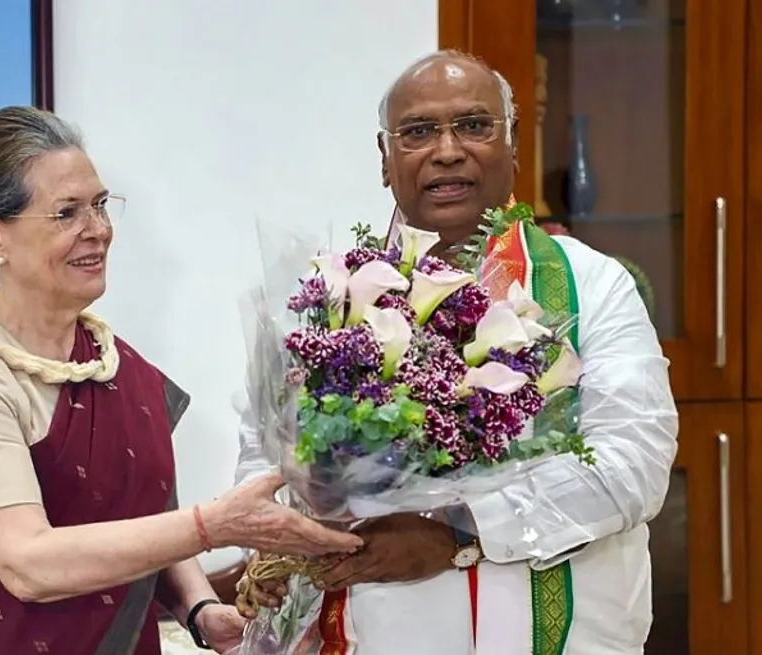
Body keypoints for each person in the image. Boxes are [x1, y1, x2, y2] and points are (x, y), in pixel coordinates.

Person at [234, 50, 679, 654]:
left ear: (514, 144)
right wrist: (280, 538)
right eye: (418, 132)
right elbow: (265, 461)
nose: (447, 150)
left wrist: (458, 534)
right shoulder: (327, 302)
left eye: (474, 125)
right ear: (386, 160)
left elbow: (632, 465)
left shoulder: (591, 286)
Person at [0, 106, 363, 655]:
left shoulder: (114, 363)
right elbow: (27, 563)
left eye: (101, 205)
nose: (99, 231)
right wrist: (215, 526)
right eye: (67, 213)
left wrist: (201, 610)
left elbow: (149, 515)